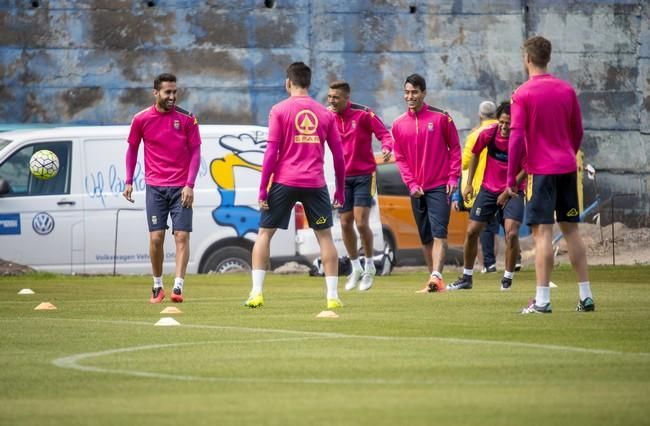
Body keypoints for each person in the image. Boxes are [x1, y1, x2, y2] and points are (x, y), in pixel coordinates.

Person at [244, 62, 345, 309]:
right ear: (310, 83)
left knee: (264, 234)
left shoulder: (279, 110)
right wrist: (340, 189)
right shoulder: (325, 113)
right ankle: (332, 297)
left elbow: (271, 152)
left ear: (288, 83)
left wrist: (262, 189)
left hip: (284, 181)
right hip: (315, 183)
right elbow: (339, 156)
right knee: (325, 238)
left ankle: (256, 293)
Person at [506, 36, 594, 314]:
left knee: (542, 234)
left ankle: (542, 300)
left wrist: (510, 178)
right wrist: (568, 152)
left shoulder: (522, 94)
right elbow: (578, 131)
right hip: (567, 166)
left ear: (528, 59)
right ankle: (586, 296)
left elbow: (516, 138)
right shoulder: (566, 90)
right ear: (548, 58)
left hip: (541, 171)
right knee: (572, 231)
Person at [123, 73, 202, 304]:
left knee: (182, 236)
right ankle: (157, 286)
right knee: (156, 238)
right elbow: (132, 149)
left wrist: (190, 185)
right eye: (167, 92)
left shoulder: (188, 119)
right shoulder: (141, 119)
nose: (172, 96)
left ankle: (178, 286)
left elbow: (196, 152)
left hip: (181, 189)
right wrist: (128, 180)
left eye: (175, 92)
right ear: (155, 92)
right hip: (155, 188)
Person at [391, 73, 461, 293]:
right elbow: (400, 158)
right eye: (407, 92)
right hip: (416, 190)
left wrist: (453, 178)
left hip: (439, 185)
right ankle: (433, 282)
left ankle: (436, 277)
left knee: (440, 233)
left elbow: (455, 149)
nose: (410, 96)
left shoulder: (442, 118)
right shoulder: (398, 124)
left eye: (414, 92)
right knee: (425, 238)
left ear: (423, 93)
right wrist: (411, 184)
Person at [447, 101, 526, 292]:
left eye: (509, 123)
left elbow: (527, 167)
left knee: (512, 233)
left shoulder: (521, 139)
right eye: (502, 122)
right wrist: (467, 185)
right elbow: (473, 155)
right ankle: (466, 277)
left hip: (513, 190)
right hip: (488, 189)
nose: (505, 127)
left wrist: (508, 191)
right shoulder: (488, 134)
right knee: (472, 231)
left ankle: (507, 278)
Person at [327, 80, 394, 292]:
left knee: (361, 222)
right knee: (345, 223)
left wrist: (386, 147)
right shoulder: (327, 116)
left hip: (365, 175)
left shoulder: (364, 114)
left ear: (347, 98)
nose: (331, 101)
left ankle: (370, 266)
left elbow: (384, 134)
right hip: (342, 177)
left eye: (335, 97)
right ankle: (355, 267)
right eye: (329, 97)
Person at [452, 101, 500, 273]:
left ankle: (486, 264)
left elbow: (463, 163)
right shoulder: (504, 130)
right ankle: (509, 260)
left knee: (477, 229)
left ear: (480, 115)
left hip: (480, 189)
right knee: (497, 228)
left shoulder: (474, 135)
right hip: (503, 186)